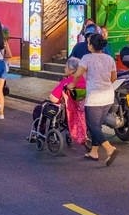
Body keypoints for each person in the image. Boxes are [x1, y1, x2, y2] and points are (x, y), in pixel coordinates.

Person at [73, 33, 118, 166]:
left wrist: (72, 84)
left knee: (93, 126)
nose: (87, 45)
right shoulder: (109, 59)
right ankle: (94, 152)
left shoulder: (87, 58)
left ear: (92, 45)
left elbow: (78, 74)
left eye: (88, 43)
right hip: (108, 96)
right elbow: (113, 78)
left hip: (94, 97)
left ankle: (110, 149)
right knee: (97, 125)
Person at [32, 56, 87, 145]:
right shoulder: (84, 81)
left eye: (66, 67)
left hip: (63, 110)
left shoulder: (67, 82)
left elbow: (53, 98)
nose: (64, 69)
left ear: (72, 70)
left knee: (39, 109)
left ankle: (41, 133)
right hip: (78, 109)